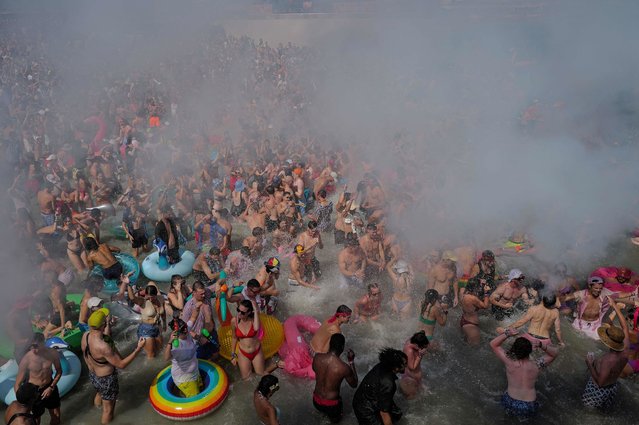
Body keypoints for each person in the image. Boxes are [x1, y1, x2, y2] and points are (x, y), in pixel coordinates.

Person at [81, 308, 145, 424]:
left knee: (99, 393)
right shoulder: (103, 346)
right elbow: (121, 364)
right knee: (108, 410)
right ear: (103, 324)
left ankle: (96, 409)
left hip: (94, 375)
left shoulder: (85, 336)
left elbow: (90, 352)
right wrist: (138, 349)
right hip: (107, 380)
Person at [490, 329, 559, 419]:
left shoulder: (509, 362)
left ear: (514, 349)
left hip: (510, 400)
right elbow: (554, 354)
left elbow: (493, 344)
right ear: (530, 351)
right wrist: (541, 345)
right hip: (529, 404)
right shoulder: (537, 365)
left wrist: (507, 334)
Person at [582, 296, 628, 411]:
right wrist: (615, 307)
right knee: (604, 413)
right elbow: (625, 327)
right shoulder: (625, 350)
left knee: (588, 413)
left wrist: (589, 364)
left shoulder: (608, 360)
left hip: (597, 390)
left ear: (609, 342)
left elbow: (600, 383)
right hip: (612, 388)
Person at [13, 333, 62, 425]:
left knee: (56, 417)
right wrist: (23, 402)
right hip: (33, 392)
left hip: (50, 387)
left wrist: (51, 387)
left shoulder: (52, 353)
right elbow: (17, 384)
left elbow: (59, 371)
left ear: (43, 343)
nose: (33, 349)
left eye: (35, 346)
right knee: (36, 420)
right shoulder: (27, 359)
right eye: (31, 346)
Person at [352, 347, 407, 425]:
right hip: (364, 410)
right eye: (404, 364)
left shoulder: (383, 365)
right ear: (396, 367)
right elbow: (384, 413)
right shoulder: (388, 384)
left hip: (360, 398)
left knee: (396, 413)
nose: (406, 366)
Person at [312, 334, 358, 423]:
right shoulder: (343, 368)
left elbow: (315, 370)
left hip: (316, 400)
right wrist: (351, 361)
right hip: (331, 405)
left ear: (329, 344)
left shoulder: (317, 357)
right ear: (342, 347)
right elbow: (354, 384)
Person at [499, 294, 565, 347]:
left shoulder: (534, 309)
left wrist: (506, 329)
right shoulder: (556, 312)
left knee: (510, 344)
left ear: (542, 299)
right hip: (545, 341)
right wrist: (561, 342)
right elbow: (557, 330)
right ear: (553, 303)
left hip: (530, 338)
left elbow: (521, 322)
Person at [163, 317, 201, 398]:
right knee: (195, 399)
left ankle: (182, 392)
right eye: (183, 330)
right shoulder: (175, 345)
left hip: (194, 372)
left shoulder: (187, 329)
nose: (186, 331)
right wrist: (170, 342)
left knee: (201, 388)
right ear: (176, 333)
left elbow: (194, 317)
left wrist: (198, 306)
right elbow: (166, 358)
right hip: (184, 378)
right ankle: (182, 393)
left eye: (186, 327)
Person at [181, 281, 219, 360]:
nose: (204, 295)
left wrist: (221, 285)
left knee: (216, 355)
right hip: (198, 338)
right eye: (201, 294)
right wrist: (199, 338)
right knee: (201, 360)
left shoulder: (207, 293)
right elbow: (183, 328)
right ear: (194, 293)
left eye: (204, 292)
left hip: (211, 333)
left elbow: (219, 282)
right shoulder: (188, 307)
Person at [231, 300, 266, 380]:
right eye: (238, 310)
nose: (239, 313)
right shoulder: (234, 321)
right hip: (243, 354)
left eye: (243, 312)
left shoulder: (254, 320)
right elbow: (234, 337)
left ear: (249, 312)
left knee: (261, 376)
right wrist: (233, 355)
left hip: (256, 352)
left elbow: (257, 328)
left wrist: (256, 310)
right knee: (247, 380)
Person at [399, 331, 429, 399]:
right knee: (411, 399)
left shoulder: (413, 340)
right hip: (410, 378)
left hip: (414, 378)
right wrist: (420, 355)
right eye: (422, 347)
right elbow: (412, 367)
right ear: (417, 345)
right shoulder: (409, 351)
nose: (423, 349)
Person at [460, 281, 491, 345]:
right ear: (475, 287)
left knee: (466, 344)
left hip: (464, 320)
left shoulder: (463, 294)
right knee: (475, 347)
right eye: (479, 286)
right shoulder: (472, 298)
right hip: (471, 325)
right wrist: (486, 293)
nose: (480, 288)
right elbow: (485, 306)